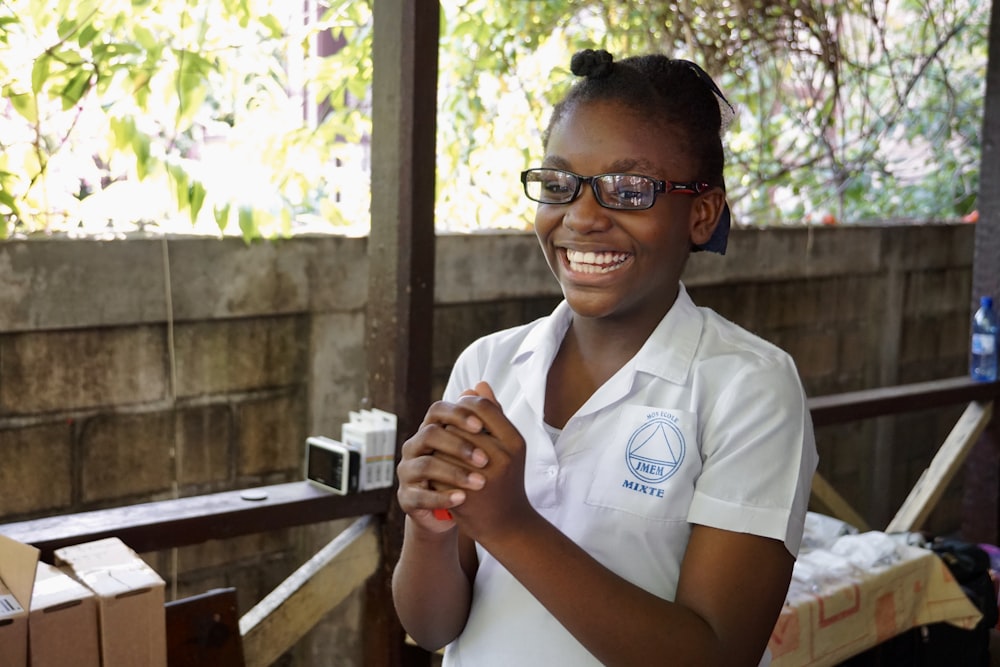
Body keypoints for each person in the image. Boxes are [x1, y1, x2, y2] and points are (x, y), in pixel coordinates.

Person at [392, 48, 818, 667]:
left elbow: (717, 655)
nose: (583, 217)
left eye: (629, 189)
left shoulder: (746, 387)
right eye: (560, 183)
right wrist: (429, 530)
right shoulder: (489, 366)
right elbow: (431, 628)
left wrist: (510, 525)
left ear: (701, 214)